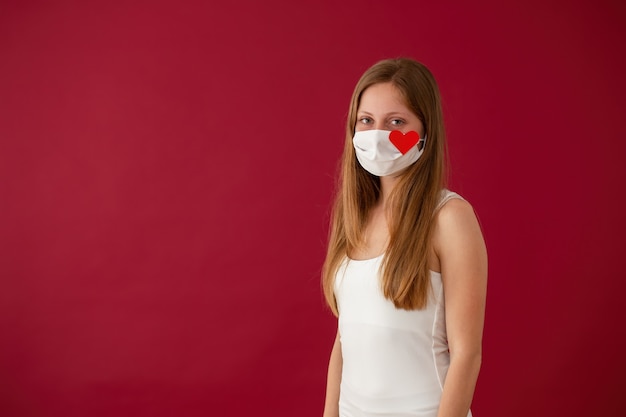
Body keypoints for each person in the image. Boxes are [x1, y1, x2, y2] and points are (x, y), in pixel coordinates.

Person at [321, 58, 488, 417]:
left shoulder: (449, 218)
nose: (377, 134)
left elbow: (466, 354)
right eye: (366, 121)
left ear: (425, 132)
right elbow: (344, 340)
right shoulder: (354, 217)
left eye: (396, 122)